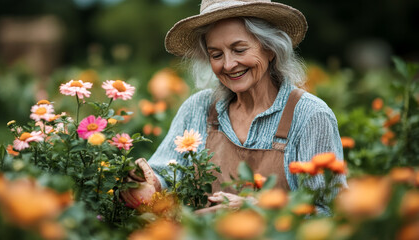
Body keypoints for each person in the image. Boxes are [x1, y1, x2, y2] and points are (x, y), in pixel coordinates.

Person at [121, 0, 347, 215]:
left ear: (270, 49)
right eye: (216, 55)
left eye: (239, 50)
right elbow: (165, 173)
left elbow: (332, 212)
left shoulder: (309, 115)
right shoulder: (199, 109)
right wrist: (148, 185)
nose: (228, 65)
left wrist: (258, 209)